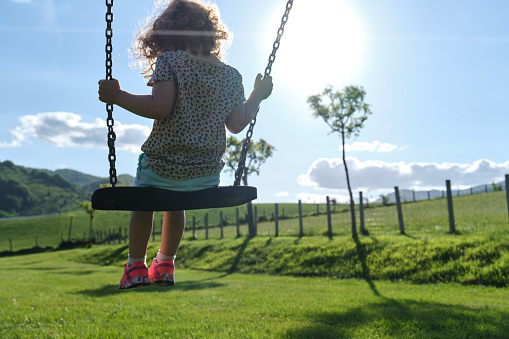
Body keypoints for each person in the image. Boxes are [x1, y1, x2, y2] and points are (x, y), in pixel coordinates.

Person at [98, 0, 273, 289]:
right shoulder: (232, 75)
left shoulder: (171, 61)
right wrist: (257, 95)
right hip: (205, 175)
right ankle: (166, 262)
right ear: (211, 33)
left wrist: (118, 96)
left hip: (161, 169)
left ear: (168, 33)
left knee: (145, 201)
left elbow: (160, 107)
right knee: (174, 203)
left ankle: (136, 266)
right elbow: (237, 124)